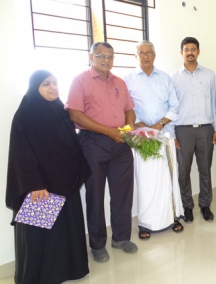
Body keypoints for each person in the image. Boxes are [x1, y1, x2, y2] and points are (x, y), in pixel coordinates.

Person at [6, 70, 91, 284]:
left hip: (65, 182)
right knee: (39, 237)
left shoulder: (60, 110)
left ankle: (68, 271)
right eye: (46, 84)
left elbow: (71, 144)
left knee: (65, 231)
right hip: (40, 186)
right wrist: (35, 184)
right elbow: (21, 153)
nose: (53, 87)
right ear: (35, 87)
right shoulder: (26, 114)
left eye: (55, 83)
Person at [65, 42, 137, 263]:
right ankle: (97, 244)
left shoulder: (120, 82)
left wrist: (129, 128)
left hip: (121, 143)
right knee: (95, 194)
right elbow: (75, 115)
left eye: (110, 57)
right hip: (93, 142)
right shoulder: (80, 81)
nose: (107, 60)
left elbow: (130, 110)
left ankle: (121, 238)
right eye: (101, 56)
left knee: (123, 193)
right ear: (91, 57)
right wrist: (108, 131)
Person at [124, 40, 184, 239]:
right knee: (147, 182)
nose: (146, 56)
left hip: (164, 135)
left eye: (149, 52)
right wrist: (140, 124)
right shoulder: (129, 79)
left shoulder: (165, 78)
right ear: (136, 56)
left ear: (154, 55)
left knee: (169, 179)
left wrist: (160, 124)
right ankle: (146, 223)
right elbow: (127, 108)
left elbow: (174, 106)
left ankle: (173, 217)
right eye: (141, 53)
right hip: (142, 139)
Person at [171, 37, 216, 222]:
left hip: (206, 129)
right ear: (181, 52)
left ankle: (205, 205)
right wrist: (172, 133)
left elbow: (215, 103)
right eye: (186, 49)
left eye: (193, 49)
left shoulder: (209, 75)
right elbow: (171, 106)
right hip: (182, 130)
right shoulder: (173, 77)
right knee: (183, 170)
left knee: (205, 169)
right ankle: (187, 206)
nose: (190, 52)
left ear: (198, 51)